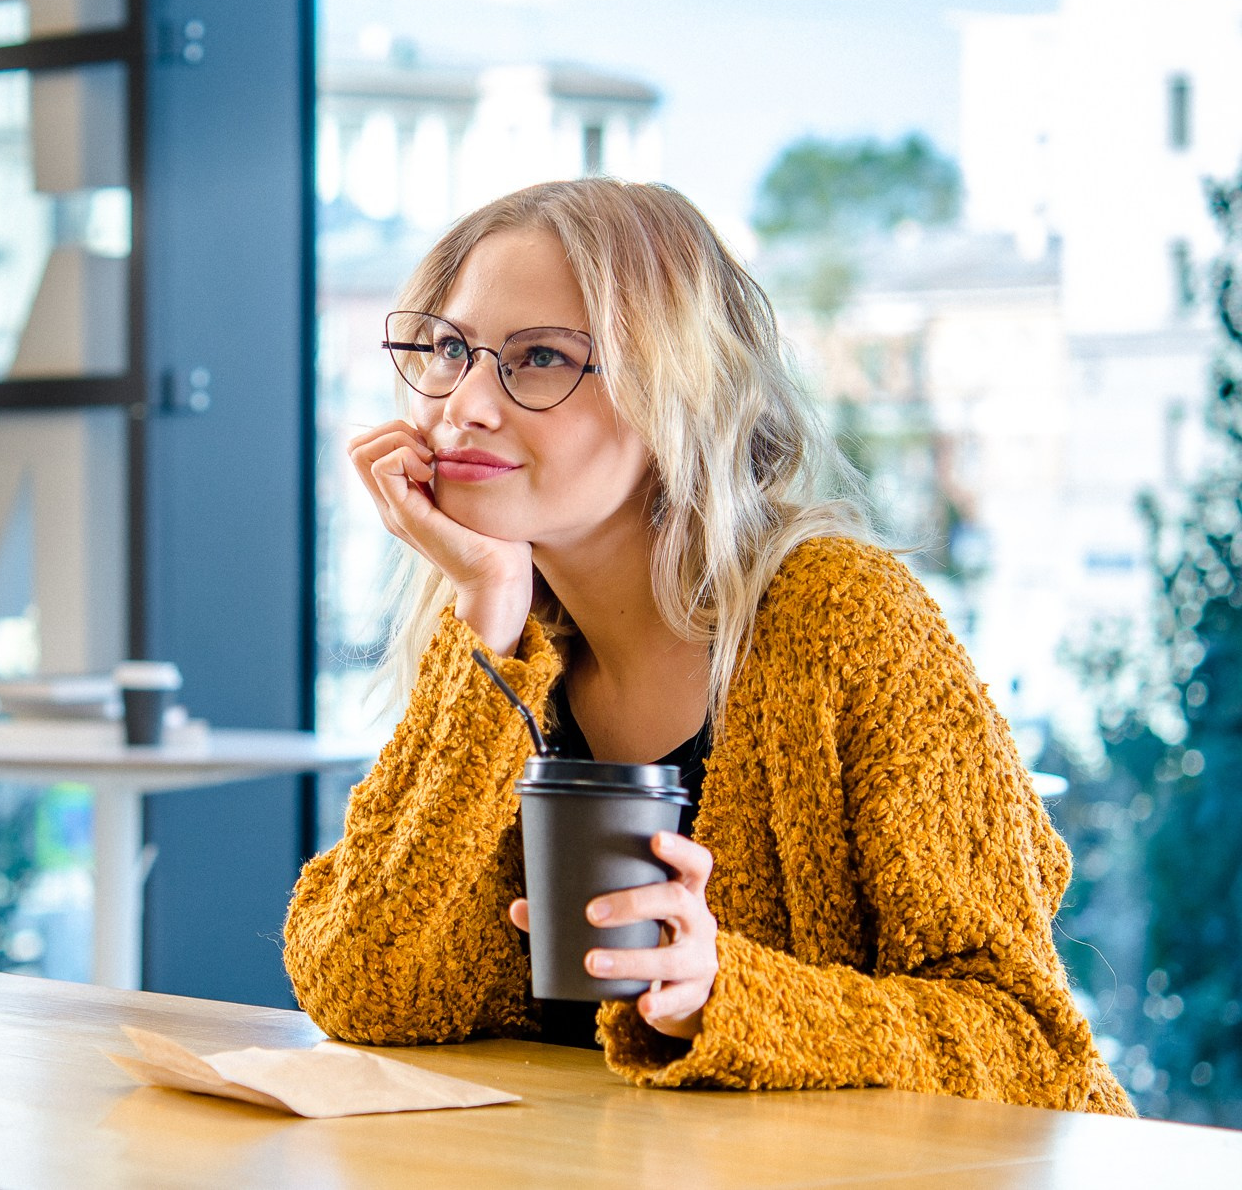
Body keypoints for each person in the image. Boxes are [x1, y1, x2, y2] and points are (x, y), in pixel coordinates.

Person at [283, 179, 1132, 1114]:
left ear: (674, 389)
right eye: (451, 349)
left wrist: (724, 996)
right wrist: (485, 609)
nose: (467, 404)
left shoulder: (846, 623)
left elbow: (1026, 1042)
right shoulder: (510, 647)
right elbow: (365, 983)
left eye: (538, 358)